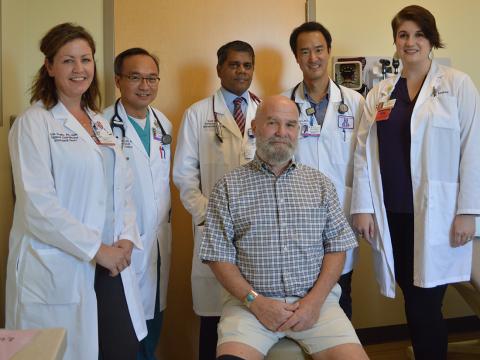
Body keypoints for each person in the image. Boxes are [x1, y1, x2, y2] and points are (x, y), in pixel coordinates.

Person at [5, 23, 146, 360]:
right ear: (49, 67)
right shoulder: (34, 123)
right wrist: (97, 249)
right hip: (63, 265)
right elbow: (38, 207)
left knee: (121, 350)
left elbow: (122, 188)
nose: (79, 69)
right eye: (68, 61)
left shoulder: (98, 122)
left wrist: (126, 238)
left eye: (86, 59)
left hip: (110, 263)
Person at [351, 5, 480, 359]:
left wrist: (469, 212)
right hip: (393, 214)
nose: (411, 42)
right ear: (395, 41)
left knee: (425, 301)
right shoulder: (380, 93)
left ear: (431, 40)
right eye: (403, 35)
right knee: (414, 295)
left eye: (419, 34)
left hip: (440, 215)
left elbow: (473, 150)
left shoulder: (456, 85)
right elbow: (363, 153)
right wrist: (363, 208)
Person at [199, 95, 368, 360]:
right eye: (272, 123)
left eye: (290, 125)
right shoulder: (228, 187)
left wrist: (313, 303)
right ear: (254, 127)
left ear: (298, 131)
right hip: (249, 307)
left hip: (317, 304)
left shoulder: (320, 184)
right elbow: (218, 257)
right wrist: (257, 302)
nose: (282, 132)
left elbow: (337, 248)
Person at [173, 40, 260, 359]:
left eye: (247, 65)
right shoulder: (197, 114)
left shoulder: (264, 111)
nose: (241, 71)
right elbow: (184, 175)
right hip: (213, 228)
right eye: (234, 64)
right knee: (213, 318)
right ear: (219, 68)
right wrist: (209, 215)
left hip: (255, 231)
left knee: (252, 316)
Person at [284, 22, 365, 319]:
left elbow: (365, 162)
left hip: (341, 213)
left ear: (329, 52)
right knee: (299, 294)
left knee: (342, 290)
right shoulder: (283, 104)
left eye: (318, 49)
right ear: (296, 57)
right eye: (305, 51)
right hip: (295, 214)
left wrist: (362, 207)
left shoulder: (355, 103)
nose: (313, 57)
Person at [103, 47, 172, 360]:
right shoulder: (101, 125)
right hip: (121, 242)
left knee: (154, 318)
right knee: (123, 327)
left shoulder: (164, 125)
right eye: (135, 78)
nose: (145, 85)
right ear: (118, 80)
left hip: (157, 239)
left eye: (152, 78)